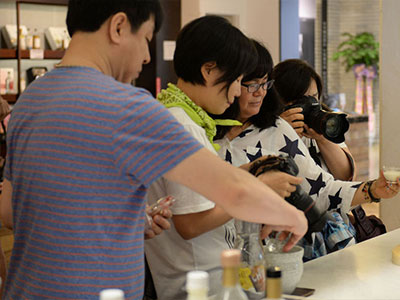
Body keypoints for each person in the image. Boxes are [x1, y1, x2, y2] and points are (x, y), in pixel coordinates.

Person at [0, 2, 307, 299]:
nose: (147, 56)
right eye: (146, 38)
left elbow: (12, 210)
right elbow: (234, 192)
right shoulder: (126, 106)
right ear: (119, 26)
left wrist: (130, 219)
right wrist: (293, 216)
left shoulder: (29, 100)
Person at [144, 16, 303, 300]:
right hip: (201, 285)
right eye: (238, 80)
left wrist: (248, 173)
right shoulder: (183, 126)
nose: (237, 91)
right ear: (208, 70)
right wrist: (260, 188)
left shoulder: (183, 117)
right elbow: (190, 223)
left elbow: (201, 189)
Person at [214, 40, 400, 260]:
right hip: (218, 252)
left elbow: (324, 188)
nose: (260, 93)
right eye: (252, 84)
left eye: (265, 84)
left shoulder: (277, 129)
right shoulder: (204, 130)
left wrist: (372, 190)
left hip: (274, 252)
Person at [274, 59, 355, 181]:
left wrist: (322, 138)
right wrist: (282, 132)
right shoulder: (270, 127)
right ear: (281, 100)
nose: (310, 104)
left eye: (314, 97)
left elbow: (347, 176)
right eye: (301, 100)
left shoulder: (323, 119)